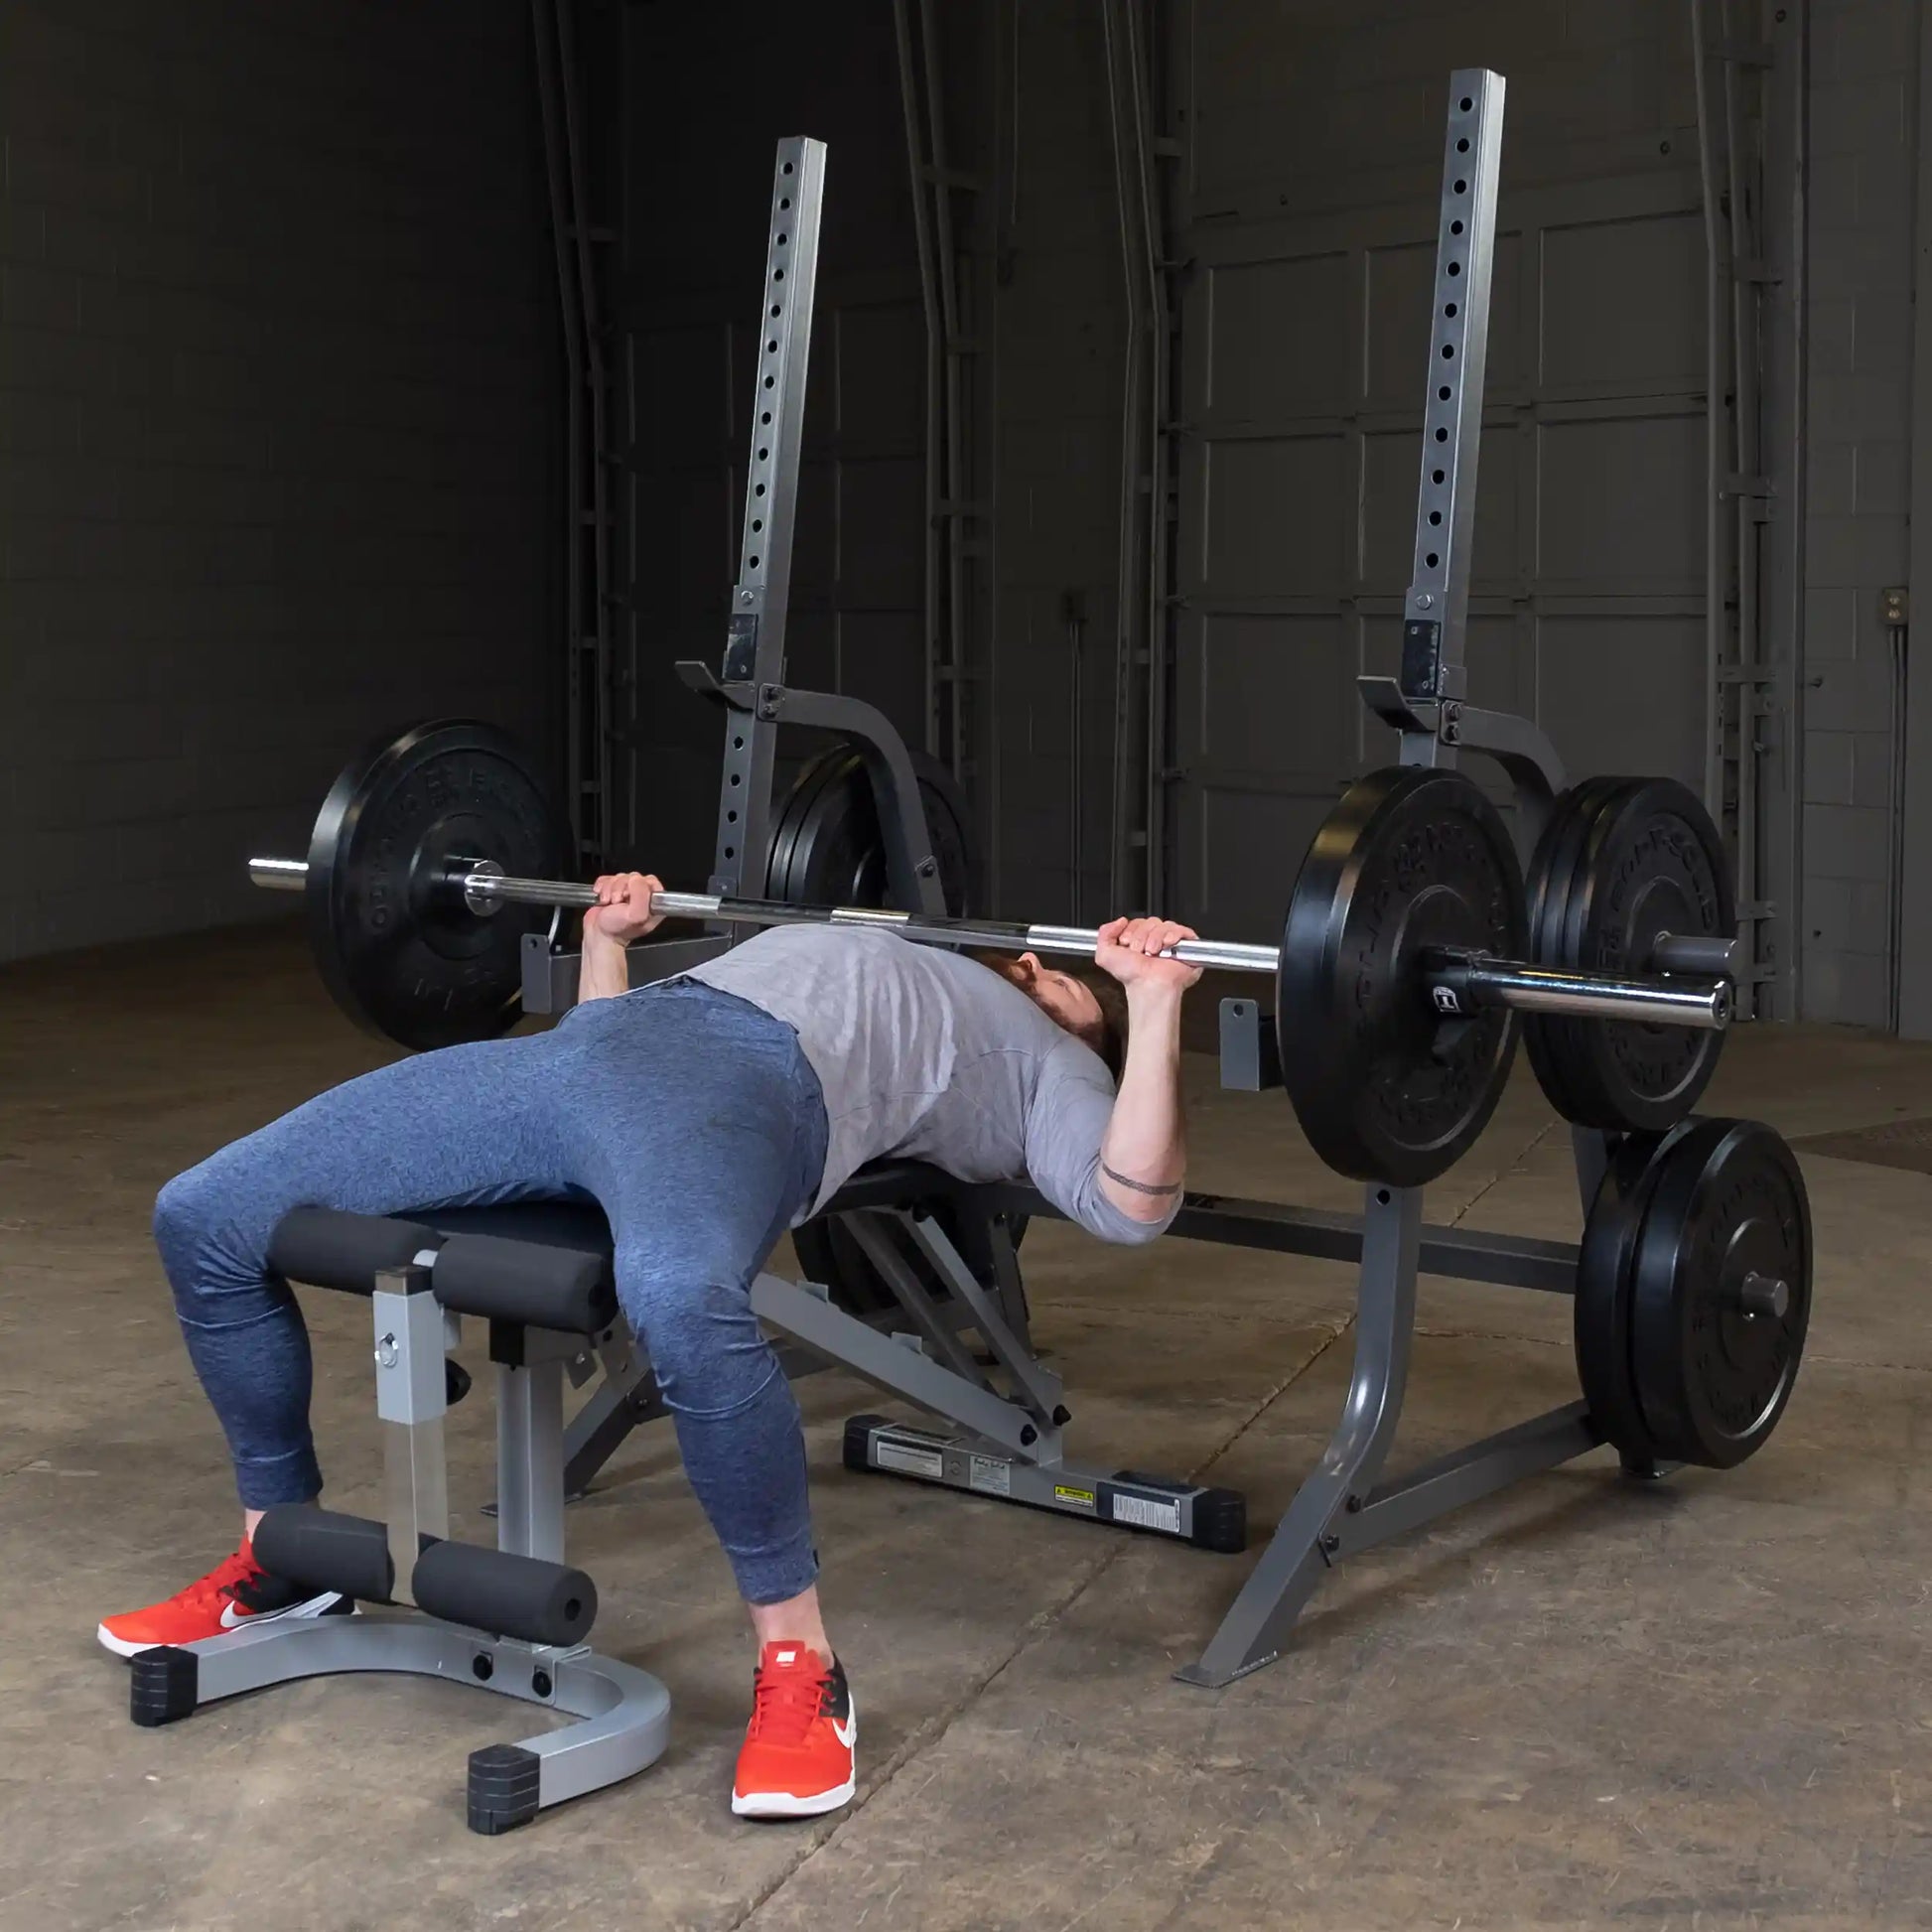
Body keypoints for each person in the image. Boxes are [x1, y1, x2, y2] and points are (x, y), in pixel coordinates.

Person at [98, 876, 1201, 1819]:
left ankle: (800, 1663)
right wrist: (607, 942)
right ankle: (280, 1553)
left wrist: (1148, 1006)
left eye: (1079, 987)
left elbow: (1133, 1202)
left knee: (677, 1292)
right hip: (591, 1051)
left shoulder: (1057, 1062)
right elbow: (602, 1108)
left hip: (746, 1085)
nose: (1050, 975)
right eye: (1064, 972)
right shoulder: (921, 951)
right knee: (204, 1211)